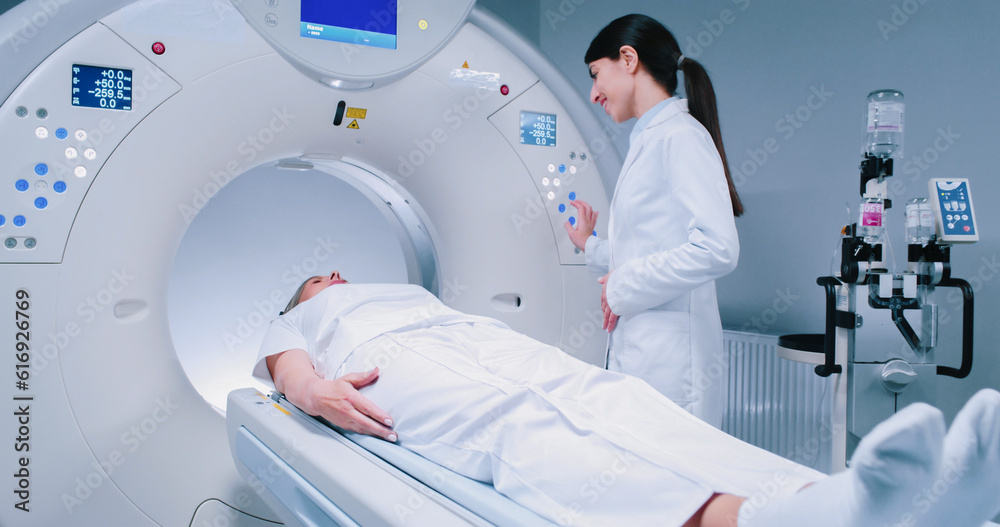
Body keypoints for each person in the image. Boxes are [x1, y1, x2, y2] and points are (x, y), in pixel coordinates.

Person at [254, 271, 1000, 527]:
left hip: (467, 334)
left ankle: (831, 497)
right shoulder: (308, 318)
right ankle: (769, 521)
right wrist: (311, 388)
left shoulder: (406, 287)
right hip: (388, 370)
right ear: (310, 294)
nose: (336, 276)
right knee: (522, 422)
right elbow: (284, 367)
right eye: (321, 276)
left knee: (611, 395)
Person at [563, 14, 743, 427]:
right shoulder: (651, 138)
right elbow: (649, 248)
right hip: (647, 353)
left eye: (595, 75)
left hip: (672, 366)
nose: (593, 94)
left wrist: (621, 286)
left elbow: (718, 248)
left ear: (628, 59)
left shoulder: (679, 137)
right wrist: (589, 244)